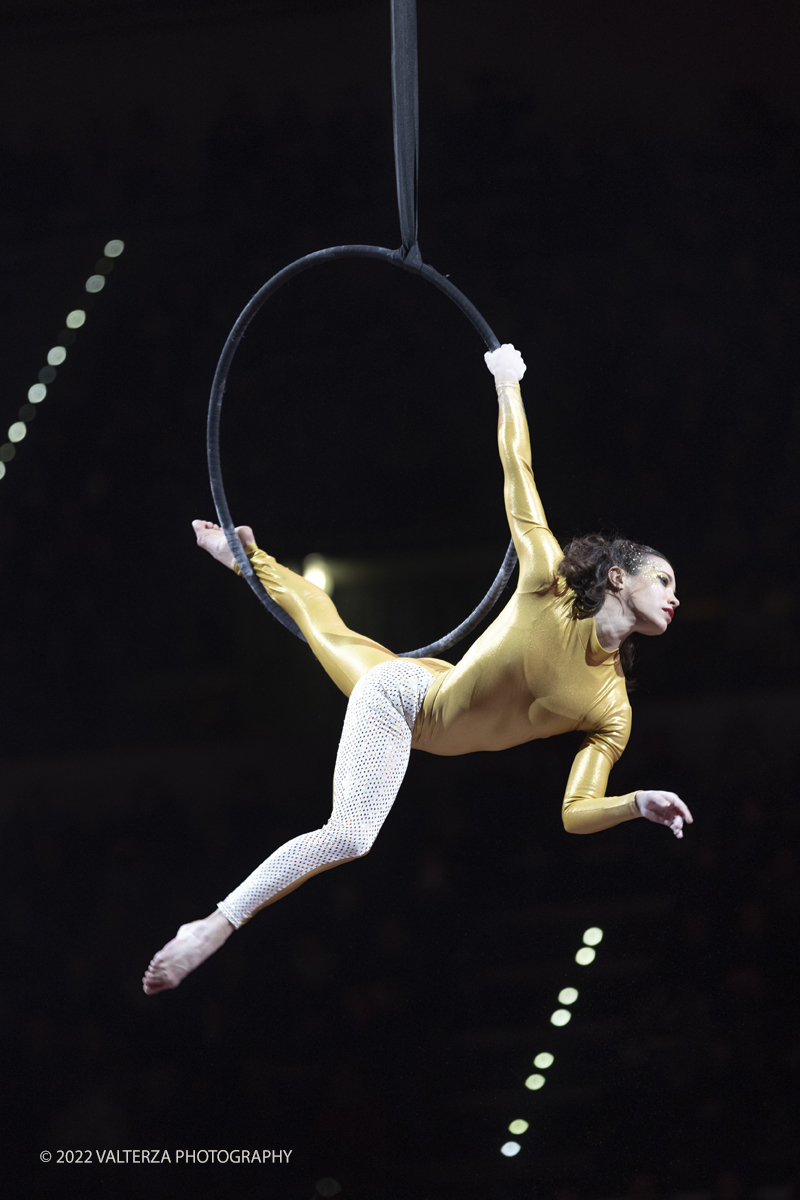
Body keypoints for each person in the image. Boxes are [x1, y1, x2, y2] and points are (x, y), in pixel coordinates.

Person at [142, 344, 692, 995]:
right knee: (350, 834)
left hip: (424, 699)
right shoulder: (545, 581)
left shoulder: (613, 707)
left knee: (326, 625)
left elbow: (575, 812)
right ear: (619, 578)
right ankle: (211, 927)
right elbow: (518, 471)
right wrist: (507, 384)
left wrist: (637, 803)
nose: (675, 595)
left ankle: (245, 556)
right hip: (404, 699)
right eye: (664, 580)